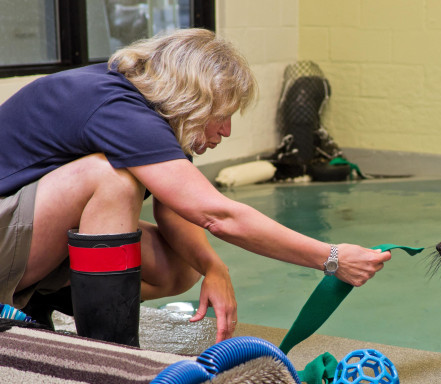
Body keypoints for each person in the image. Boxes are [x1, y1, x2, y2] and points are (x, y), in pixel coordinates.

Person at [0, 28, 391, 345]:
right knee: (110, 179)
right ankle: (111, 358)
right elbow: (216, 213)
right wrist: (332, 258)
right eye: (222, 115)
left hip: (19, 242)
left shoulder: (145, 111)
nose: (227, 130)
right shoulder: (118, 109)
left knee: (182, 264)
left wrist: (213, 267)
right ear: (192, 97)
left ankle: (36, 305)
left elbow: (176, 208)